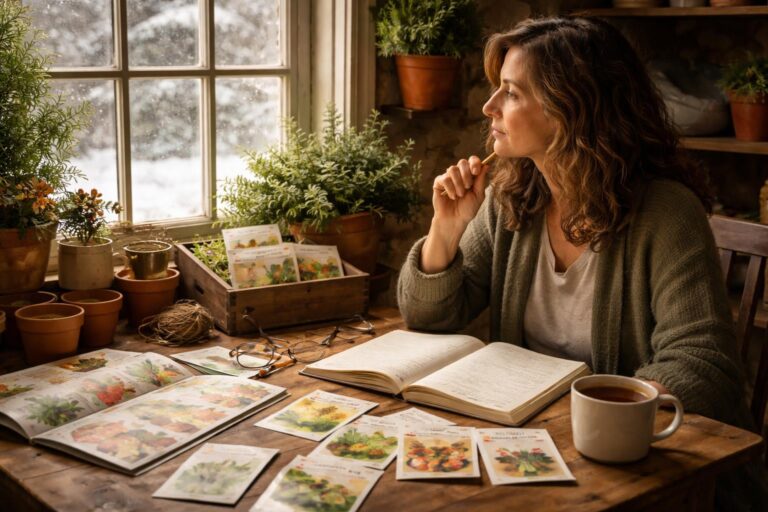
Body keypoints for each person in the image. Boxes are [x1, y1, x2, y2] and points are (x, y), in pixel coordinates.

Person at [397, 17, 765, 510]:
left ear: (570, 108)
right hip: (535, 446)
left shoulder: (667, 215)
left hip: (645, 472)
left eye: (510, 93)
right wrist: (446, 228)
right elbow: (427, 317)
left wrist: (588, 412)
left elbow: (704, 364)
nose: (489, 107)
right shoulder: (512, 197)